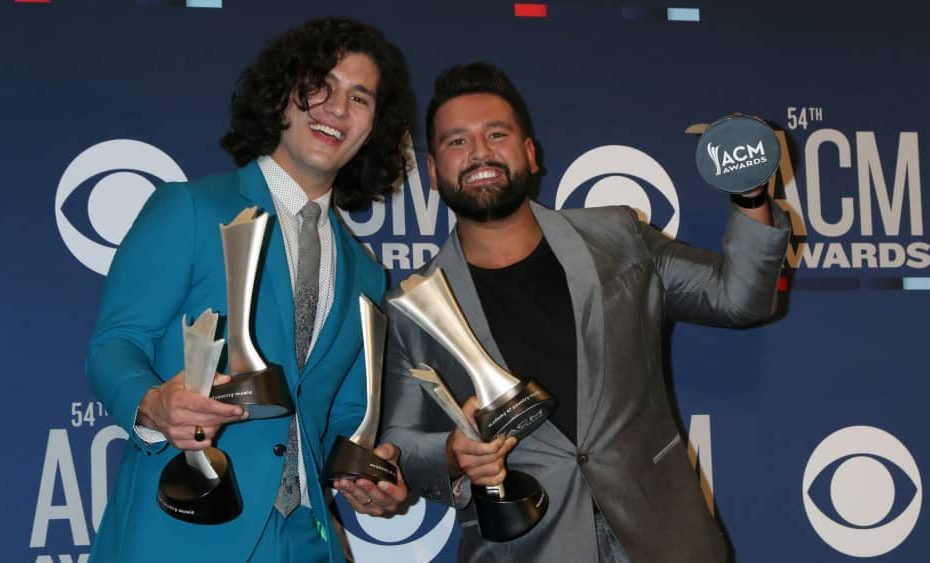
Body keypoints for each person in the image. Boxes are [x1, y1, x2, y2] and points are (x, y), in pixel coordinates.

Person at [380, 63, 790, 562]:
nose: (480, 152)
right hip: (528, 548)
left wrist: (750, 192)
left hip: (664, 538)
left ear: (531, 153)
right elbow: (399, 442)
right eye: (457, 141)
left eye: (496, 134)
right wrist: (451, 453)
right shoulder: (413, 305)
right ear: (432, 170)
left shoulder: (618, 236)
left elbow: (738, 298)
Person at [86, 18, 414, 562]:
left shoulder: (366, 273)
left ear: (374, 126)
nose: (337, 108)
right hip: (181, 531)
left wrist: (371, 477)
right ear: (281, 94)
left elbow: (340, 420)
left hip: (307, 541)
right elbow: (115, 344)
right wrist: (153, 404)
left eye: (360, 97)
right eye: (321, 85)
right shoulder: (190, 209)